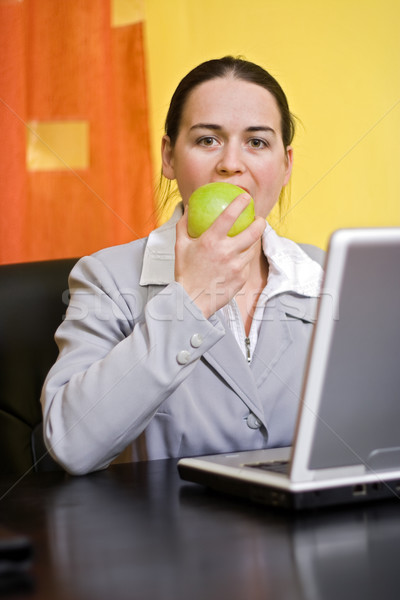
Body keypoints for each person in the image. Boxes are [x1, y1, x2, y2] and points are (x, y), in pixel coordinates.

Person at [41, 56, 325, 475]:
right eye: (208, 140)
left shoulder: (327, 273)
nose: (231, 163)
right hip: (166, 535)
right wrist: (189, 299)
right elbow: (71, 443)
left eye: (257, 142)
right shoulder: (105, 278)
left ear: (285, 166)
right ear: (169, 157)